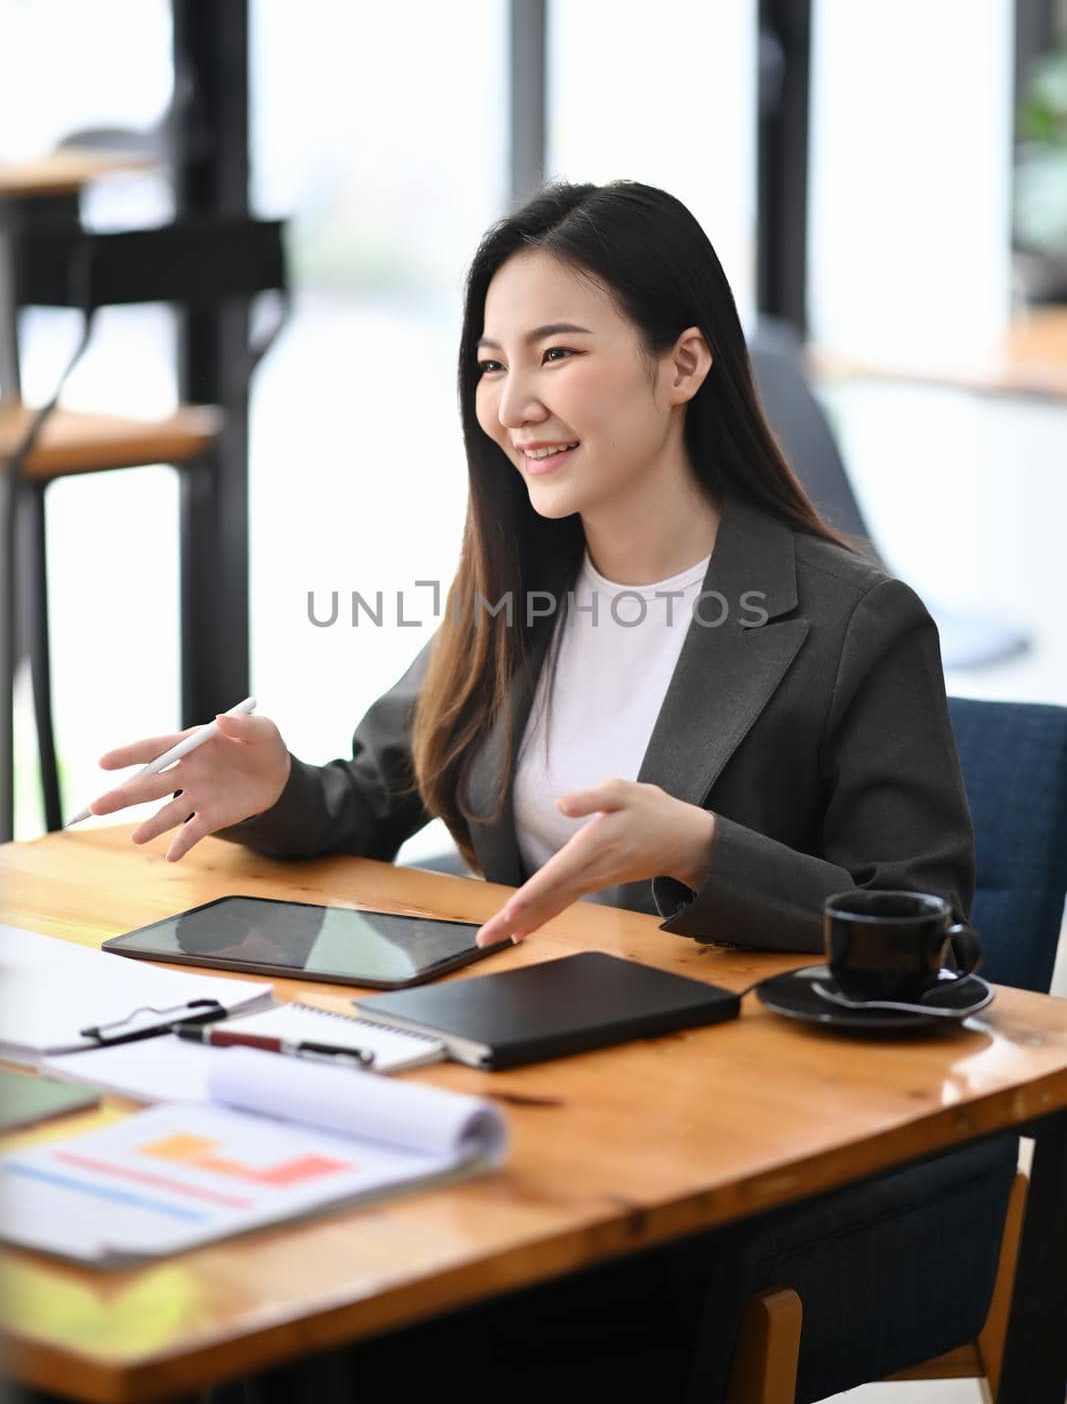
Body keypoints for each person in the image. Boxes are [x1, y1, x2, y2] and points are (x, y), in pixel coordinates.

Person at [88, 181, 1013, 1402]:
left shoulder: (850, 619)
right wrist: (272, 788)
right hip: (508, 1099)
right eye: (488, 363)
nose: (510, 404)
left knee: (335, 1331)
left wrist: (697, 847)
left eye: (556, 354)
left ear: (683, 364)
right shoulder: (515, 584)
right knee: (215, 1283)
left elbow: (931, 928)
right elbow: (368, 799)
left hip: (711, 1151)